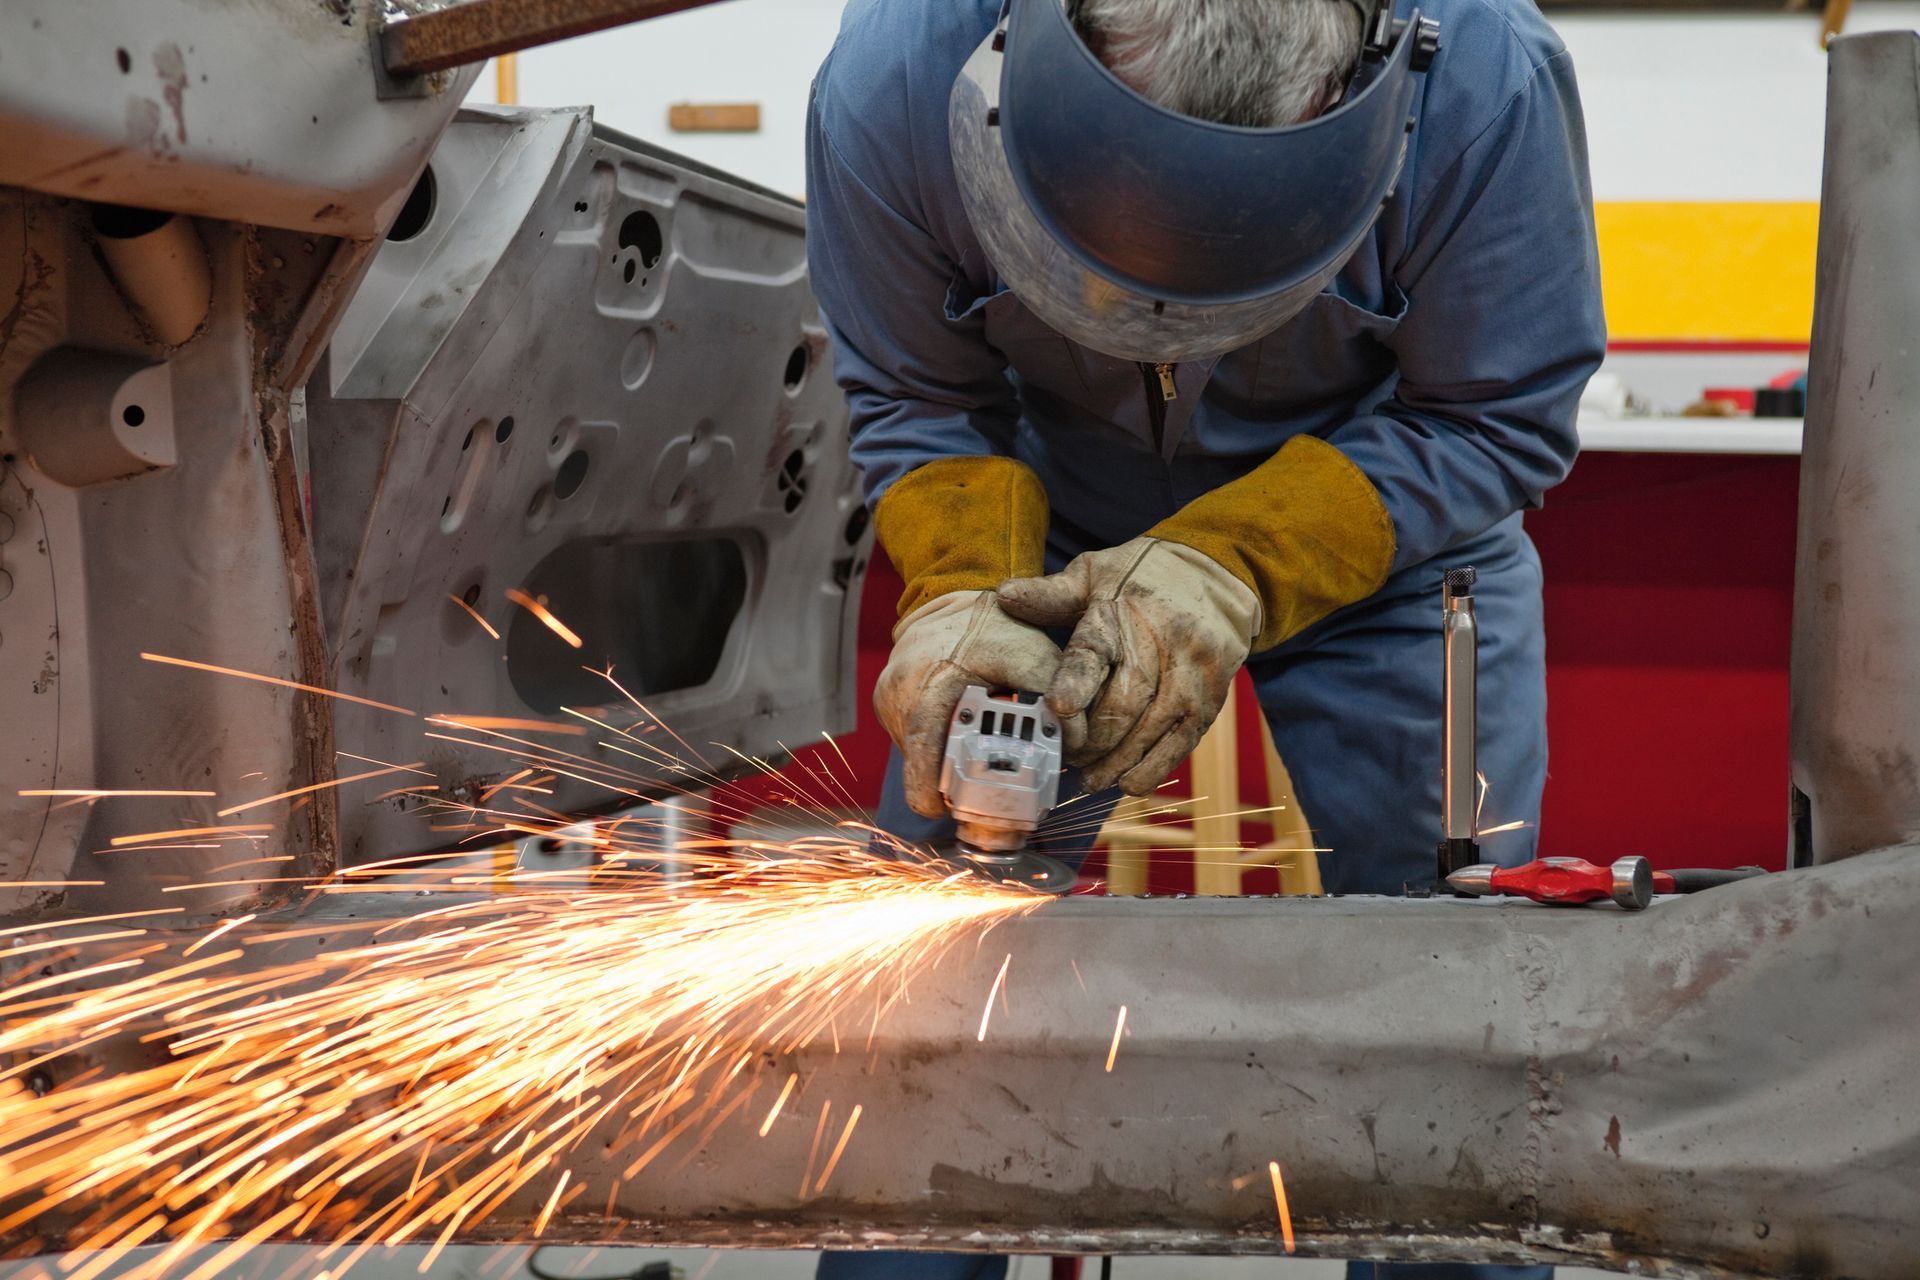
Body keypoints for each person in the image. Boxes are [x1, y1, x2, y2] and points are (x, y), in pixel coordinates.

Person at [805, 0, 1606, 1274]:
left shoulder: (1482, 78)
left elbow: (1496, 412)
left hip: (1382, 537)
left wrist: (1233, 563)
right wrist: (964, 588)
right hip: (1048, 543)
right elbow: (916, 393)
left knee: (1457, 1015)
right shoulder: (898, 71)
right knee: (925, 989)